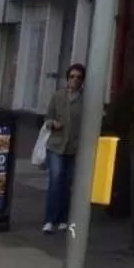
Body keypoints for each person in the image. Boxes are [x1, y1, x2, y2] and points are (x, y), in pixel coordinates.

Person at [42, 62, 87, 234]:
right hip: (56, 145)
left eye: (79, 77)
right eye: (72, 76)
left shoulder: (84, 100)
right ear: (67, 79)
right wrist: (52, 123)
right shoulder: (58, 96)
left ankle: (62, 218)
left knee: (67, 184)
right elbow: (47, 118)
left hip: (74, 147)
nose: (75, 80)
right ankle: (49, 219)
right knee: (55, 181)